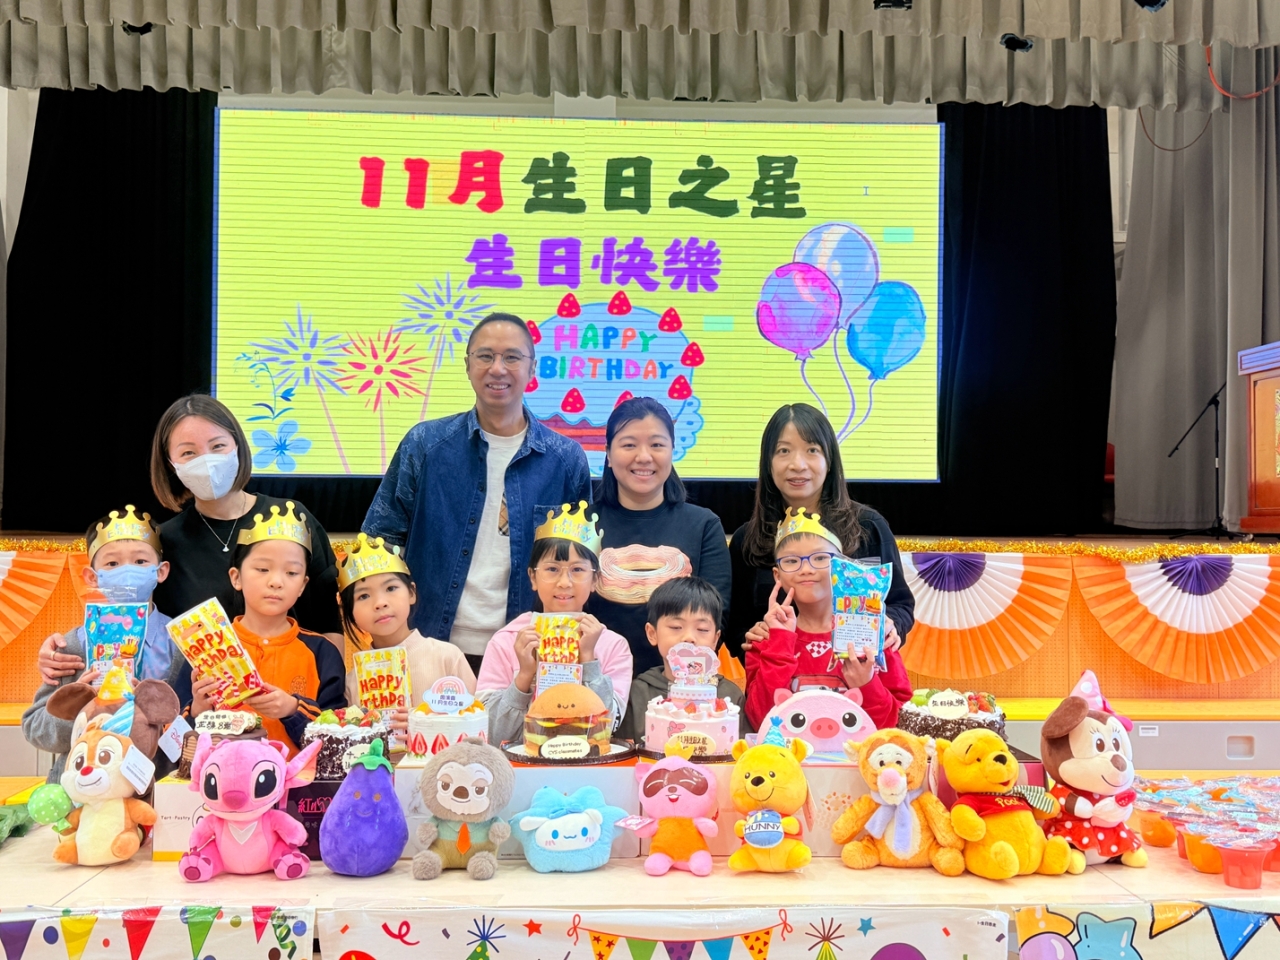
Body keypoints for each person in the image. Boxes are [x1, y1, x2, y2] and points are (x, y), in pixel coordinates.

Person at [362, 312, 592, 675]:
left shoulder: (565, 459)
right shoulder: (424, 445)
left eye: (512, 357)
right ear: (468, 366)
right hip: (430, 646)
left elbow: (581, 563)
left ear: (532, 369)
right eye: (485, 356)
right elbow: (380, 543)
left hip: (529, 651)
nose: (497, 368)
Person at [726, 403, 914, 658]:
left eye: (812, 450)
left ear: (830, 460)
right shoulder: (746, 540)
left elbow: (900, 604)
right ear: (768, 462)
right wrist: (750, 636)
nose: (798, 464)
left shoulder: (868, 527)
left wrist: (891, 624)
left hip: (856, 677)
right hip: (776, 679)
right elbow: (735, 626)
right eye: (783, 451)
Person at [150, 394, 342, 635]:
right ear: (171, 463)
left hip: (299, 660)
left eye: (218, 446)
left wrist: (331, 662)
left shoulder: (292, 517)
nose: (207, 461)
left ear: (237, 447)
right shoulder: (165, 542)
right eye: (189, 453)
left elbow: (327, 619)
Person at [22, 506, 189, 781]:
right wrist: (79, 706)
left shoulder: (181, 642)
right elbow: (35, 727)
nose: (127, 571)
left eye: (140, 561)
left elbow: (194, 723)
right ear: (92, 576)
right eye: (112, 564)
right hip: (84, 788)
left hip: (158, 789)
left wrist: (157, 712)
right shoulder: (73, 646)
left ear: (160, 572)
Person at [186, 501, 345, 751]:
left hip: (300, 776)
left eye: (291, 573)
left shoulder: (322, 652)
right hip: (220, 775)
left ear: (303, 586)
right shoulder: (206, 647)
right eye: (262, 569)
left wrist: (293, 710)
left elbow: (340, 737)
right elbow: (172, 737)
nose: (276, 582)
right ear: (236, 577)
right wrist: (197, 710)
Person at [587, 397, 731, 674]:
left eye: (656, 445)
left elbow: (716, 618)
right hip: (594, 682)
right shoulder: (581, 525)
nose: (644, 456)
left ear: (672, 451)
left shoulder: (704, 525)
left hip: (678, 686)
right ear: (608, 454)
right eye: (629, 445)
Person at [475, 502, 632, 747]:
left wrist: (589, 661)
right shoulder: (508, 640)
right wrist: (524, 675)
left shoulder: (613, 646)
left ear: (595, 580)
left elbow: (607, 728)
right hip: (519, 764)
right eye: (552, 569)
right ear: (533, 577)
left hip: (587, 763)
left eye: (577, 569)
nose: (564, 582)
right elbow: (491, 733)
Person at [743, 508, 911, 731]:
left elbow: (901, 724)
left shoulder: (873, 635)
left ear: (842, 566)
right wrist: (780, 643)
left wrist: (867, 684)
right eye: (791, 561)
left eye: (821, 558)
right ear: (777, 575)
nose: (806, 569)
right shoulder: (766, 639)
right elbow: (759, 721)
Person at [338, 533, 476, 737]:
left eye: (391, 588)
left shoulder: (447, 657)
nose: (380, 603)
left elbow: (476, 724)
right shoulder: (353, 680)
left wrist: (426, 726)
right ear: (350, 612)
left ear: (411, 593)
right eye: (364, 595)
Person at [618, 576, 744, 744]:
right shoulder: (637, 692)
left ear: (715, 639)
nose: (689, 637)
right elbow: (625, 748)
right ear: (652, 633)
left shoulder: (730, 694)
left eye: (702, 629)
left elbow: (742, 749)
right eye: (676, 627)